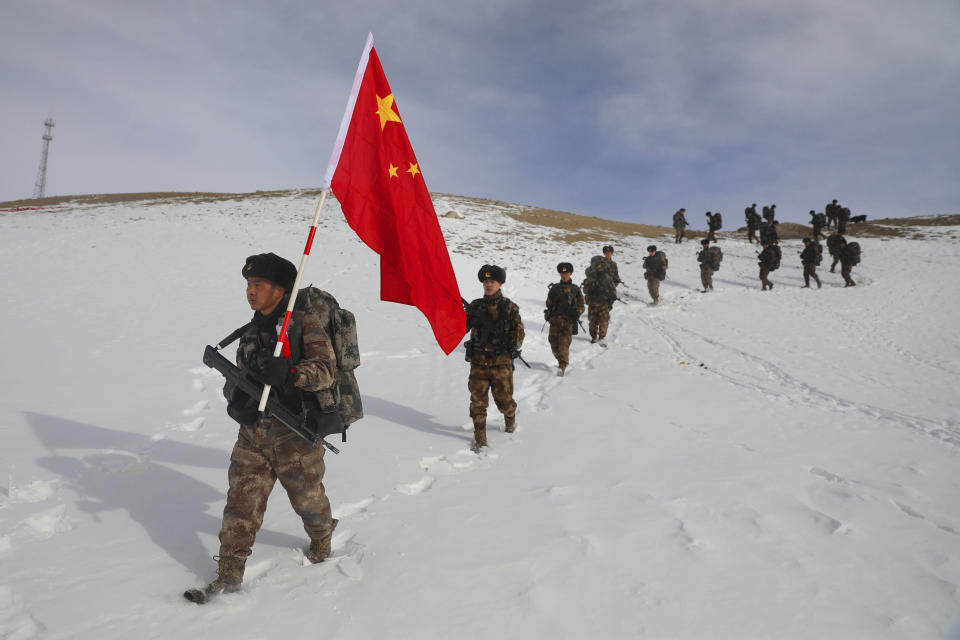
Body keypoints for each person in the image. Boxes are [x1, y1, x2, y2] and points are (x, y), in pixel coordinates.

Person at [187, 253, 339, 603]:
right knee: (240, 504)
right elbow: (240, 375)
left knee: (308, 500)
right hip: (252, 434)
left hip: (294, 437)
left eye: (259, 285)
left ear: (280, 290)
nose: (250, 292)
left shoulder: (303, 325)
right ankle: (228, 574)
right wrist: (236, 395)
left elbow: (325, 371)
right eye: (248, 285)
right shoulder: (251, 330)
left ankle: (322, 537)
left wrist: (291, 375)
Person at [464, 265, 525, 449]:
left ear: (500, 283)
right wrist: (468, 320)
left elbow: (520, 334)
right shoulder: (475, 306)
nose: (488, 284)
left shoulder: (509, 308)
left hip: (501, 364)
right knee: (477, 401)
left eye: (492, 281)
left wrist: (510, 342)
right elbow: (460, 327)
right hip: (479, 362)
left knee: (505, 402)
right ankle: (480, 435)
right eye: (485, 281)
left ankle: (510, 420)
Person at [545, 262, 585, 376]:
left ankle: (562, 365)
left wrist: (576, 313)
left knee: (564, 344)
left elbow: (582, 306)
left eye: (566, 273)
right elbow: (548, 303)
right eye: (562, 273)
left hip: (568, 322)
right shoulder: (554, 288)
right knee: (553, 343)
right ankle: (560, 361)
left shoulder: (576, 289)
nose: (564, 275)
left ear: (571, 273)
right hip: (555, 320)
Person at [581, 256, 617, 345]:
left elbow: (613, 291)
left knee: (603, 321)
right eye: (598, 267)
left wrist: (611, 301)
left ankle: (602, 337)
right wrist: (590, 286)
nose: (600, 269)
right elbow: (585, 290)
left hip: (604, 304)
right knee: (592, 322)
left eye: (601, 267)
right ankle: (593, 337)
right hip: (592, 303)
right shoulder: (590, 278)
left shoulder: (608, 278)